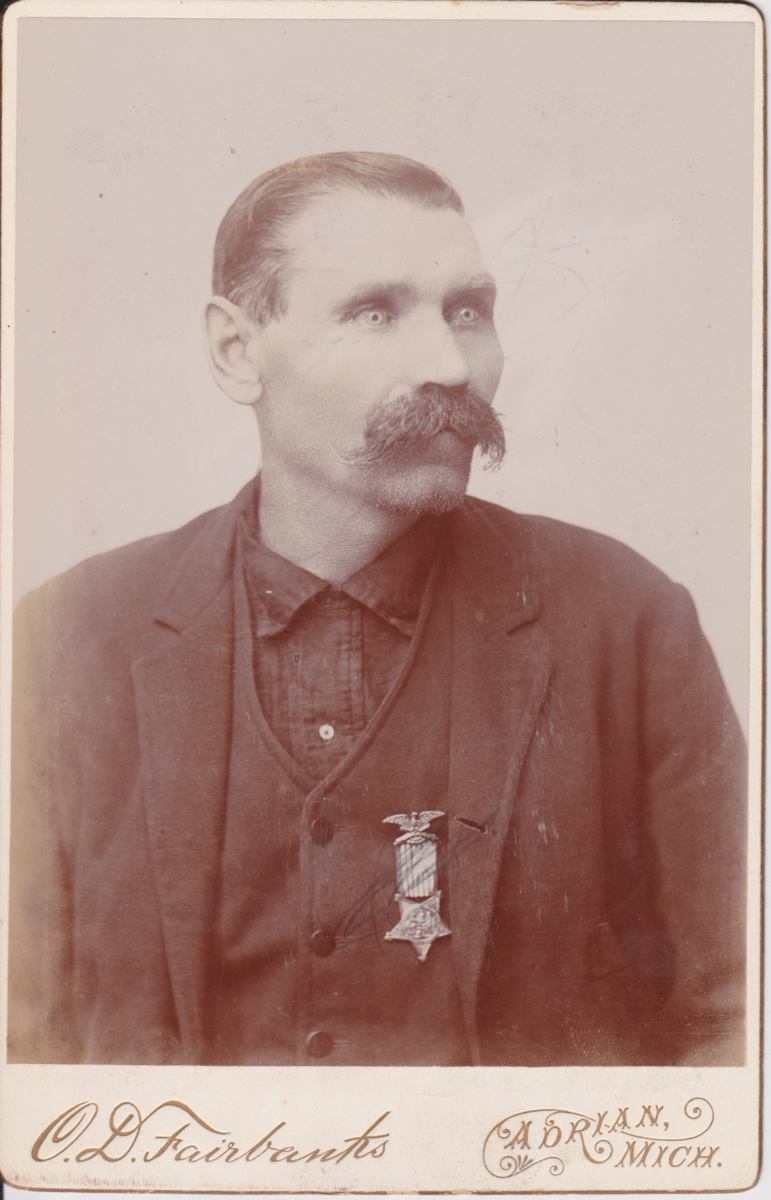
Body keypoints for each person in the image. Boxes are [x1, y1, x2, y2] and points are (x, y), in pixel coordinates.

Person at [8, 151, 746, 1068]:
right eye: (374, 313)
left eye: (467, 311)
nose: (449, 365)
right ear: (237, 351)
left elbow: (735, 1025)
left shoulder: (627, 622)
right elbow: (21, 1050)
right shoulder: (67, 640)